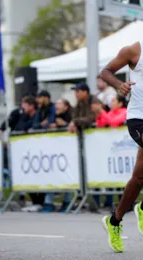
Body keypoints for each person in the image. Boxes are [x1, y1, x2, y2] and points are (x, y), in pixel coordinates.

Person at [100, 40, 143, 253]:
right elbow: (105, 72)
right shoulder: (134, 50)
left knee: (138, 179)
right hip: (139, 118)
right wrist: (119, 85)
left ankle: (114, 221)